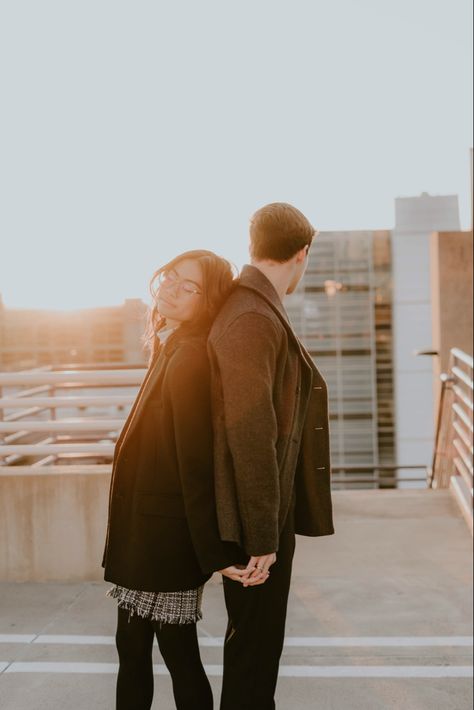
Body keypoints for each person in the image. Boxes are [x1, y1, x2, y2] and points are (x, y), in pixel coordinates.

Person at [102, 250, 252, 710]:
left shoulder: (189, 356)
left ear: (208, 301)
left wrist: (213, 550)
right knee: (136, 647)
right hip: (149, 531)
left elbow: (195, 461)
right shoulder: (174, 343)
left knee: (174, 651)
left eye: (189, 286)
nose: (170, 287)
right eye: (170, 276)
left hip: (164, 536)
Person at [207, 203, 335, 710]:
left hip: (256, 514)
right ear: (302, 253)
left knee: (257, 652)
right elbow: (251, 434)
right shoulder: (252, 316)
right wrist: (262, 535)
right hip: (251, 522)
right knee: (254, 656)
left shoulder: (252, 308)